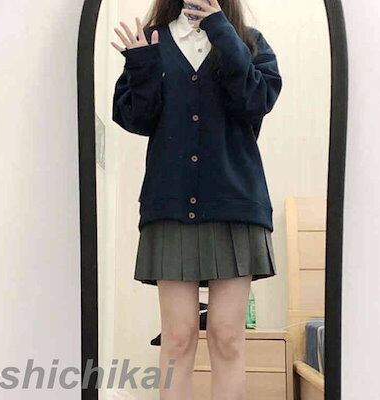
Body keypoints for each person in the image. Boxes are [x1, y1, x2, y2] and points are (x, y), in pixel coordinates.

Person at [111, 1, 282, 399]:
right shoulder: (153, 41)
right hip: (170, 205)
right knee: (176, 337)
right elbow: (135, 118)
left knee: (227, 337)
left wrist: (221, 29)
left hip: (235, 204)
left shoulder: (247, 41)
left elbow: (256, 101)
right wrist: (141, 64)